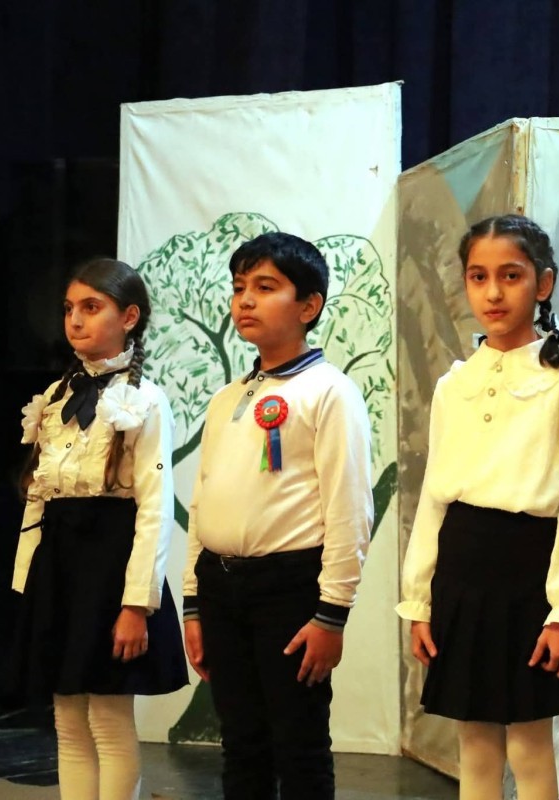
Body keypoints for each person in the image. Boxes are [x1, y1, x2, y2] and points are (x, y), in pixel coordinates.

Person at [396, 214, 559, 800]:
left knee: (529, 742)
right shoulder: (453, 384)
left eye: (510, 276)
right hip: (461, 572)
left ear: (543, 283)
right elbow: (435, 494)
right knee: (474, 739)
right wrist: (419, 597)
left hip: (527, 574)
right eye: (478, 276)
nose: (492, 292)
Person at [180, 231, 374, 799]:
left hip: (289, 589)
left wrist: (331, 615)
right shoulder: (227, 398)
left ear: (308, 306)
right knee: (240, 742)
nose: (245, 300)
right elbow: (203, 500)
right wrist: (193, 602)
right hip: (220, 586)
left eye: (265, 287)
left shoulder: (330, 391)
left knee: (299, 743)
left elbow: (349, 508)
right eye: (240, 287)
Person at [5, 257, 188, 800]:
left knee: (108, 718)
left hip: (110, 570)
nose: (76, 320)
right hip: (59, 568)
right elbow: (38, 496)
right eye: (69, 309)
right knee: (67, 719)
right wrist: (27, 583)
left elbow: (154, 507)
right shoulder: (56, 397)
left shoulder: (145, 399)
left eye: (92, 307)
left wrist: (136, 605)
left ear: (129, 317)